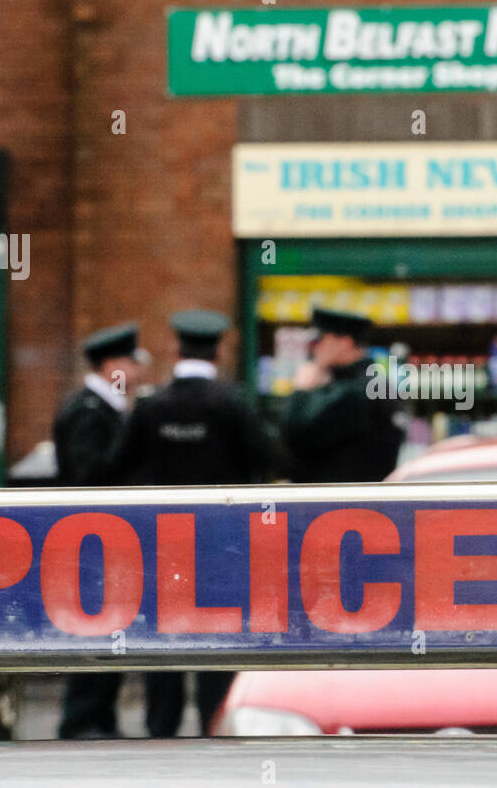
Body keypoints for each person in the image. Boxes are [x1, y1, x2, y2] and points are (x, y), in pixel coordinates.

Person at [106, 309, 277, 736]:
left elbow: (114, 467)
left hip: (162, 548)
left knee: (164, 642)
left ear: (175, 348)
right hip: (225, 548)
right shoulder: (233, 404)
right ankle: (215, 727)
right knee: (218, 643)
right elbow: (275, 459)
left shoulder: (150, 407)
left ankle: (161, 733)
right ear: (218, 350)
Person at [53, 321, 142, 739]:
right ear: (112, 365)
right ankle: (84, 719)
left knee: (111, 628)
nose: (138, 369)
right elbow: (89, 476)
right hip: (92, 543)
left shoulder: (105, 408)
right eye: (130, 361)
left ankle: (98, 717)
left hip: (105, 540)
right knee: (96, 627)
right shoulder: (88, 412)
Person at [282, 307, 403, 483]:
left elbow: (295, 435)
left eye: (321, 339)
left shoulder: (358, 390)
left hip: (339, 502)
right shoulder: (369, 381)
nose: (315, 347)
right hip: (349, 499)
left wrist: (302, 390)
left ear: (345, 342)